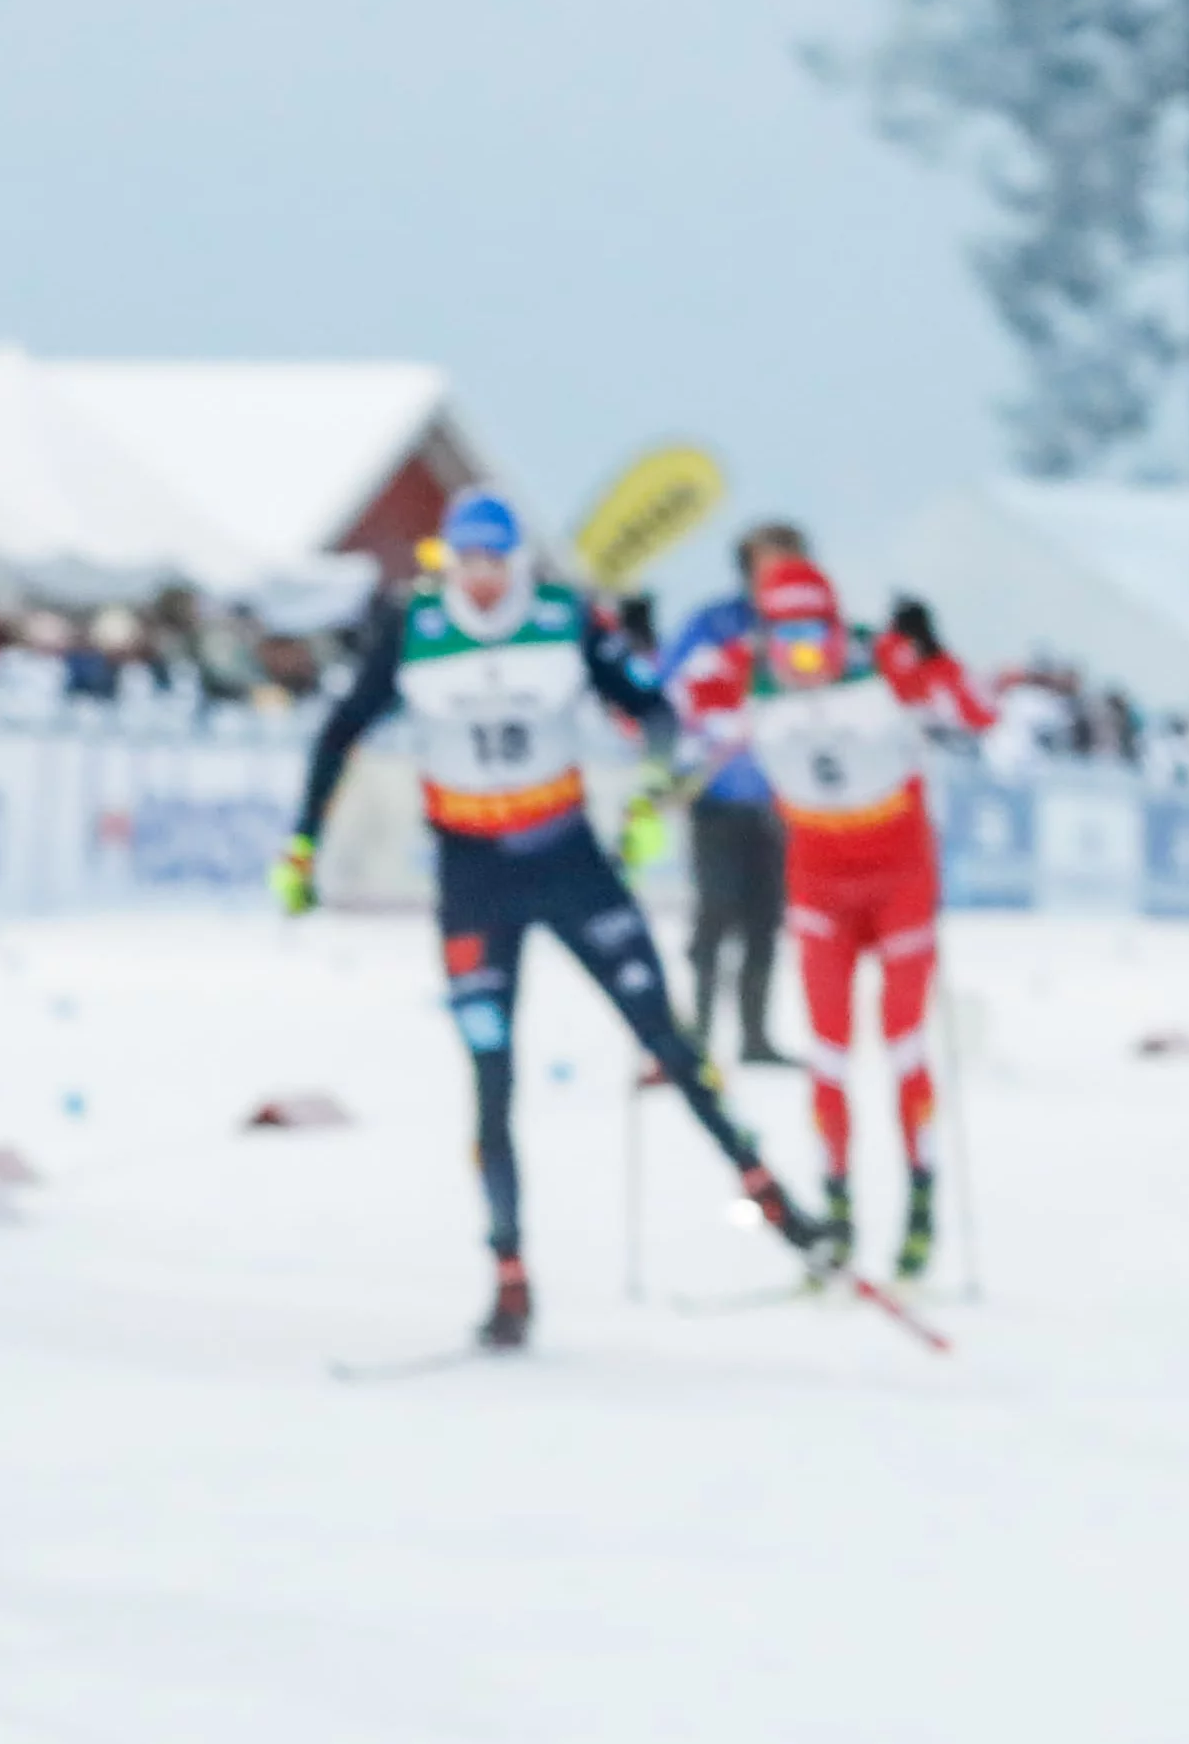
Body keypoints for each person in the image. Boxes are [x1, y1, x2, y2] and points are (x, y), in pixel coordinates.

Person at [272, 487, 812, 1349]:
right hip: (472, 875)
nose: (482, 581)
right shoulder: (416, 625)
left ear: (518, 562)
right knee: (491, 1075)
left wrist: (650, 790)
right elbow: (338, 733)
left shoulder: (563, 618)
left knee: (666, 1039)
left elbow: (655, 710)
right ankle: (509, 1275)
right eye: (467, 564)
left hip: (569, 861)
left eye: (496, 562)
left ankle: (780, 1205)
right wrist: (302, 845)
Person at [678, 557, 983, 1278]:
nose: (805, 657)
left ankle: (920, 1208)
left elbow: (976, 712)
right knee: (829, 1052)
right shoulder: (742, 670)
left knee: (904, 1044)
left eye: (818, 637)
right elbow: (669, 698)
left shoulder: (881, 658)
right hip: (818, 882)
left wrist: (934, 652)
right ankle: (837, 1211)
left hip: (900, 875)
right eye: (787, 639)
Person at [660, 520, 808, 1062]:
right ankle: (696, 1034)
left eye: (785, 559)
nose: (775, 571)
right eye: (766, 560)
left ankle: (755, 1037)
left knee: (766, 919)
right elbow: (671, 686)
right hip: (717, 794)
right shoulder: (715, 621)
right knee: (714, 912)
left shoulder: (807, 626)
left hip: (782, 799)